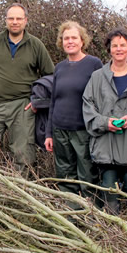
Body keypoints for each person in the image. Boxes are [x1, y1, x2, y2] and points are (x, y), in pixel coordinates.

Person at [0, 3, 54, 175]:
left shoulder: (35, 45)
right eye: (11, 18)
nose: (15, 22)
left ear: (25, 21)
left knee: (24, 155)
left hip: (22, 107)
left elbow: (51, 76)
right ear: (6, 20)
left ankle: (22, 193)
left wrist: (38, 101)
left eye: (19, 18)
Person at [82, 28, 127, 231]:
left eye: (123, 45)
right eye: (114, 45)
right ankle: (113, 237)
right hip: (105, 147)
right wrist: (104, 122)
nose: (119, 49)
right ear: (109, 49)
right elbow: (87, 107)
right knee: (109, 194)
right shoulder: (97, 77)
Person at [44, 21, 102, 208]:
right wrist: (49, 133)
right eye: (66, 38)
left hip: (83, 130)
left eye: (74, 38)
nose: (70, 41)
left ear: (82, 40)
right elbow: (54, 101)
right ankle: (71, 214)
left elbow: (101, 97)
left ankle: (92, 216)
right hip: (60, 130)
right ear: (62, 42)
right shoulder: (60, 67)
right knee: (65, 175)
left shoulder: (94, 64)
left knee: (87, 175)